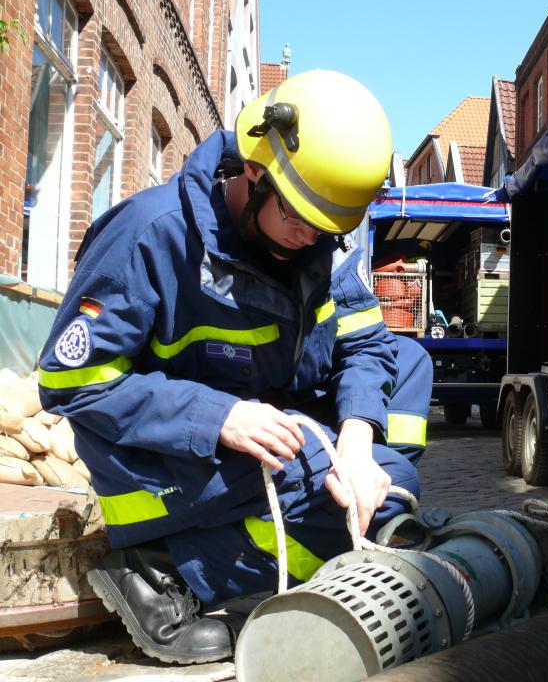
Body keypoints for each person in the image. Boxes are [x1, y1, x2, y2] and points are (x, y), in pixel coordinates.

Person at [37, 70, 432, 664]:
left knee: (403, 396)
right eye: (299, 221)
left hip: (265, 424)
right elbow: (68, 378)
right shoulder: (151, 235)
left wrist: (356, 440)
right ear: (254, 172)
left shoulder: (320, 239)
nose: (310, 241)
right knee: (316, 474)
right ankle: (164, 566)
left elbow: (367, 345)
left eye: (328, 230)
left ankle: (338, 523)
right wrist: (218, 416)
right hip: (167, 449)